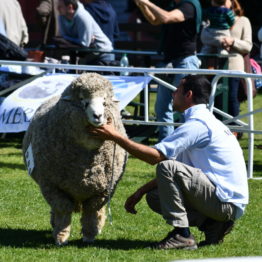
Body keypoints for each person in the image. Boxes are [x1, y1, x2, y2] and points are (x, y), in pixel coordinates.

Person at [87, 74, 248, 250]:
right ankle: (213, 225)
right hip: (226, 202)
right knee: (155, 197)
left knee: (166, 166)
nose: (173, 94)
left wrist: (114, 135)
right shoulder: (205, 122)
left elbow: (156, 157)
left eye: (177, 90)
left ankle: (182, 235)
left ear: (189, 95)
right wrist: (140, 192)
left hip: (225, 204)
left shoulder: (198, 124)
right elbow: (178, 172)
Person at [134, 0, 202, 141]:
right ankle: (166, 146)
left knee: (185, 107)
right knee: (162, 107)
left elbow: (166, 17)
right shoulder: (173, 5)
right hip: (169, 61)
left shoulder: (189, 5)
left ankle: (188, 145)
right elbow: (155, 21)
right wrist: (141, 4)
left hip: (185, 61)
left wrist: (146, 2)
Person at [220, 0, 252, 122]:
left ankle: (236, 130)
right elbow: (204, 37)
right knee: (216, 99)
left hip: (234, 68)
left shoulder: (243, 20)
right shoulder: (213, 18)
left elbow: (248, 46)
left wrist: (233, 42)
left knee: (232, 98)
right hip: (215, 66)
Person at [57, 0, 114, 64]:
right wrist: (66, 41)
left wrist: (67, 42)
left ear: (70, 7)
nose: (57, 9)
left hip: (102, 54)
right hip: (87, 55)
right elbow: (64, 38)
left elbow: (84, 44)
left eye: (60, 7)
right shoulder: (61, 17)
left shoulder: (82, 16)